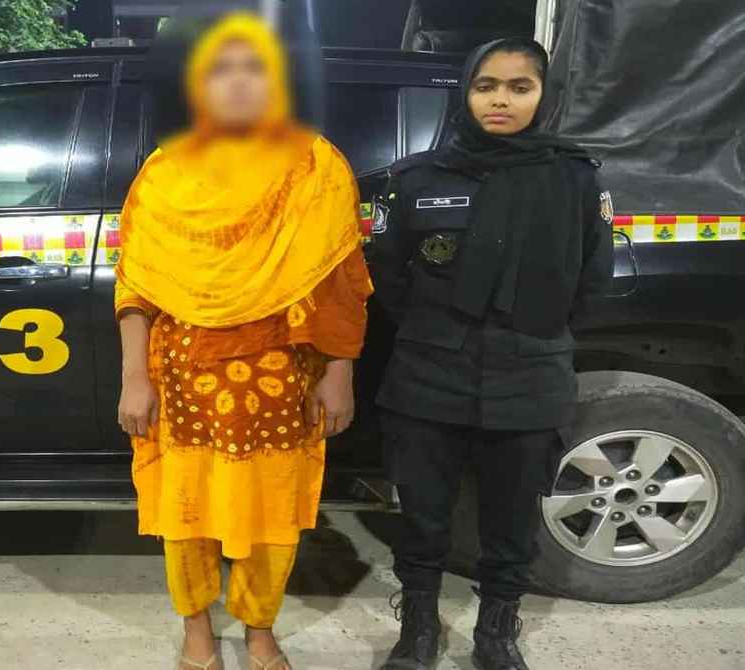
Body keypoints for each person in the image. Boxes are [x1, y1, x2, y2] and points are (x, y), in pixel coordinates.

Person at [114, 13, 372, 670]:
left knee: (271, 514)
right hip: (181, 377)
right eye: (219, 69)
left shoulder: (314, 166)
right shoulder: (165, 173)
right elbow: (136, 286)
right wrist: (134, 377)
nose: (236, 82)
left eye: (252, 67)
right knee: (186, 512)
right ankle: (196, 627)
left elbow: (342, 282)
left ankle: (260, 629)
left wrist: (338, 372)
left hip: (281, 376)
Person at [368, 38, 614, 670]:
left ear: (544, 94)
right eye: (486, 86)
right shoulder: (417, 178)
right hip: (429, 374)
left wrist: (535, 334)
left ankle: (496, 632)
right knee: (422, 517)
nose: (501, 100)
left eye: (519, 87)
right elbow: (388, 276)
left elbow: (592, 279)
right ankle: (418, 628)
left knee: (511, 522)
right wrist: (439, 329)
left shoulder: (575, 178)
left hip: (531, 373)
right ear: (465, 93)